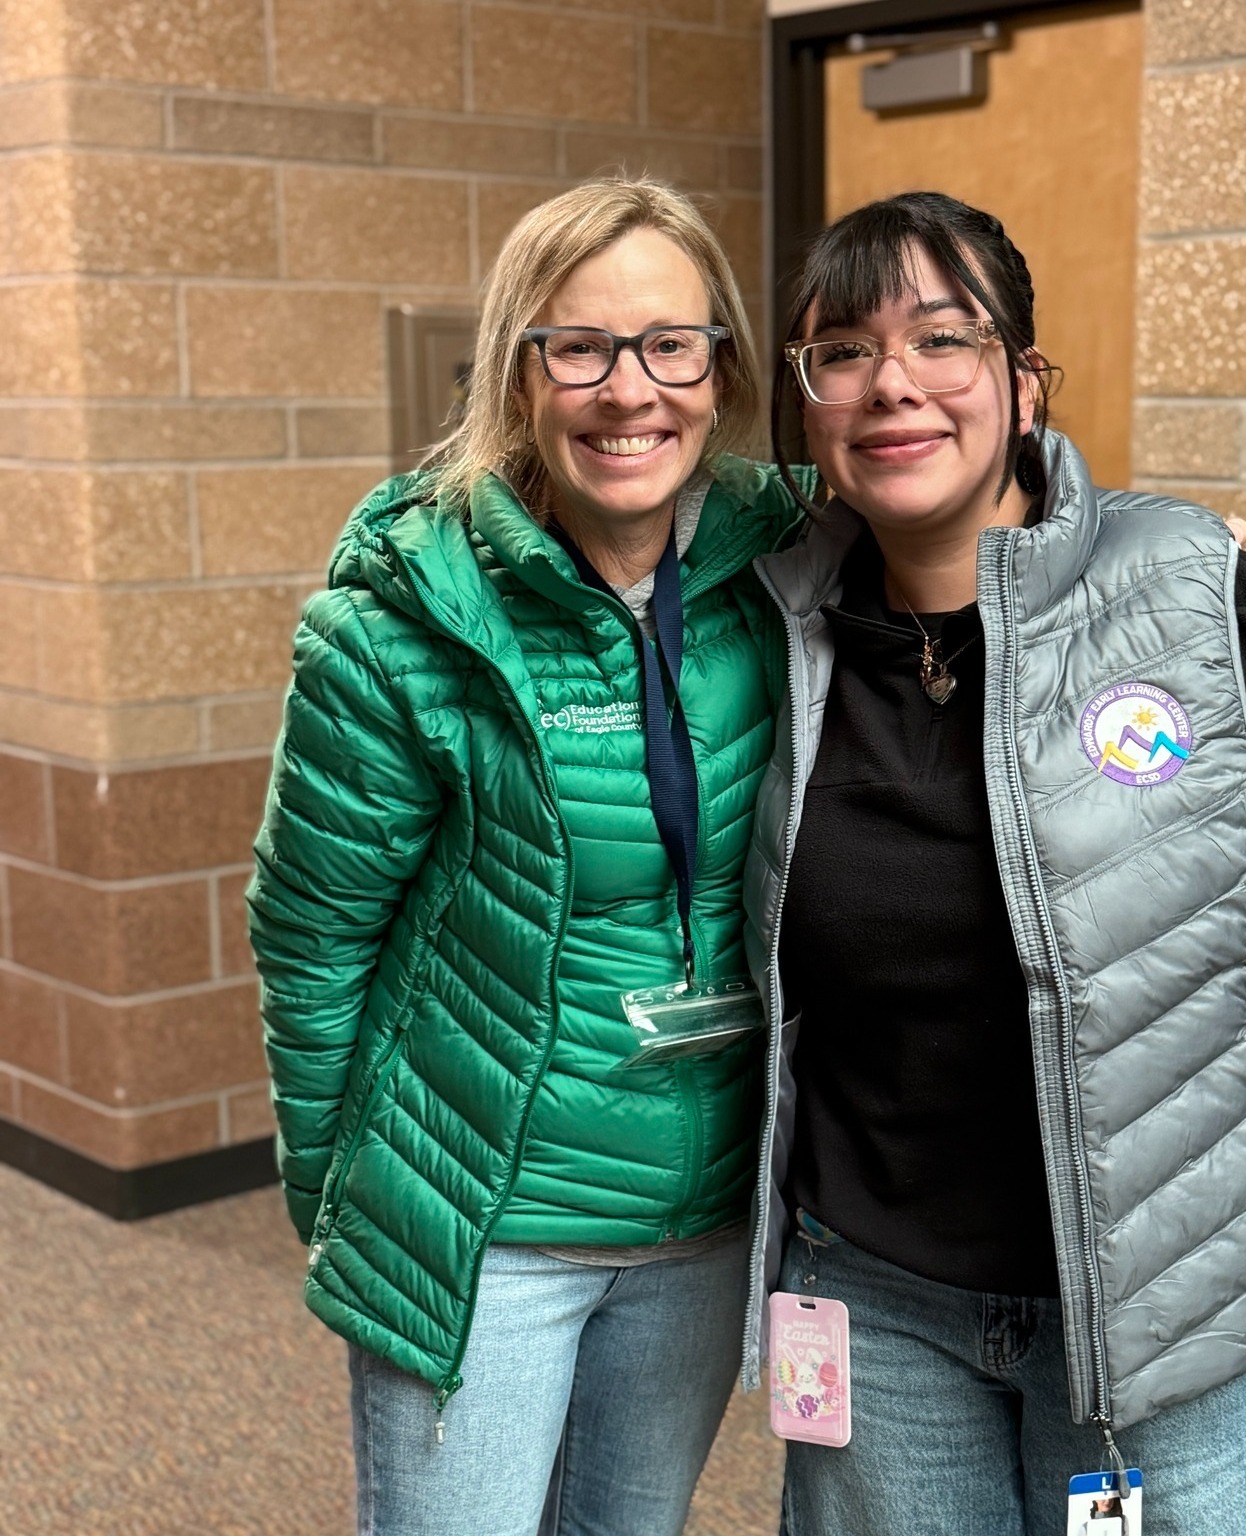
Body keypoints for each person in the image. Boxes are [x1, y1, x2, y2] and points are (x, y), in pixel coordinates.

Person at [741, 191, 1246, 1535]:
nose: (893, 383)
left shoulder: (1196, 597)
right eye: (844, 351)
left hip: (1166, 1298)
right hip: (871, 1297)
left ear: (1024, 381)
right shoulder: (772, 625)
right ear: (808, 401)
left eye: (943, 338)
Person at [246, 178, 808, 1536]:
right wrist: (353, 1197)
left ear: (723, 368)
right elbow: (312, 940)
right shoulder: (404, 623)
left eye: (670, 345)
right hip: (483, 1218)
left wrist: (1180, 561)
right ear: (517, 370)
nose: (630, 390)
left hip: (702, 1217)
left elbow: (974, 519)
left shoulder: (792, 563)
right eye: (581, 348)